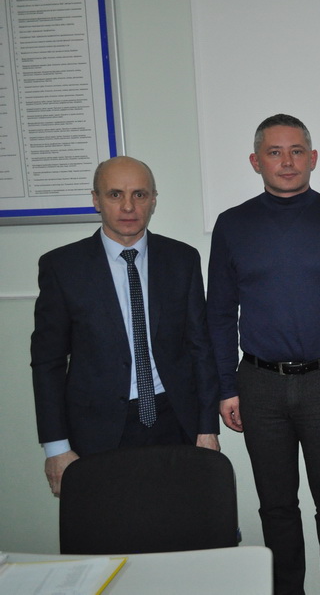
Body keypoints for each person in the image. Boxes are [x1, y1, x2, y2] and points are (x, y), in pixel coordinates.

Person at [207, 114, 320, 595]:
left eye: (296, 151)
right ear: (255, 161)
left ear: (313, 158)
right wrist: (226, 387)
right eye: (274, 152)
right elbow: (219, 314)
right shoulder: (232, 225)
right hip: (258, 385)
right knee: (277, 507)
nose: (287, 162)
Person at [31, 156, 221, 497]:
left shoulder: (182, 259)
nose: (128, 206)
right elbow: (48, 362)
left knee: (176, 521)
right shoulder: (63, 267)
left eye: (140, 195)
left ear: (153, 200)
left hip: (174, 421)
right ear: (96, 200)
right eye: (115, 194)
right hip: (96, 432)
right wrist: (56, 447)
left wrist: (207, 428)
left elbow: (200, 347)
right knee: (108, 523)